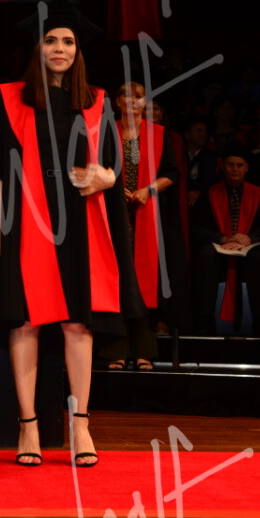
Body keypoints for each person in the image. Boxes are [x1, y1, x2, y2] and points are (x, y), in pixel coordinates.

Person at [0, 0, 143, 467]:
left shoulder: (97, 101)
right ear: (37, 48)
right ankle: (28, 425)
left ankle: (81, 425)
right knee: (26, 320)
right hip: (27, 218)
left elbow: (114, 166)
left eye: (68, 42)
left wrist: (104, 178)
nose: (60, 48)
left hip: (81, 219)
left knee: (79, 322)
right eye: (52, 40)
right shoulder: (11, 98)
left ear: (78, 50)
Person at [102, 82, 191, 369]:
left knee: (143, 283)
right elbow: (98, 168)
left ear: (145, 102)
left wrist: (148, 190)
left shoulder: (159, 134)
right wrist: (114, 188)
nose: (132, 101)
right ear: (117, 102)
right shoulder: (106, 132)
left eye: (138, 97)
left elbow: (171, 173)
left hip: (147, 214)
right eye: (126, 96)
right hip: (113, 214)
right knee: (116, 280)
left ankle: (143, 351)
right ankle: (115, 350)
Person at [190, 141, 260, 335]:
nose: (235, 169)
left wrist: (249, 238)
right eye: (230, 164)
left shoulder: (259, 194)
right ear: (223, 167)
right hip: (220, 246)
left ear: (246, 168)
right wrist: (224, 238)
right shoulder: (210, 193)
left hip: (249, 247)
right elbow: (198, 228)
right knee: (205, 256)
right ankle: (205, 319)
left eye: (239, 165)